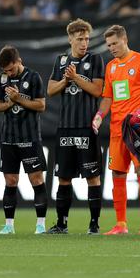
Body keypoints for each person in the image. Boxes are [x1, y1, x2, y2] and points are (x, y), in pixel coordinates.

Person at [92, 25, 140, 235]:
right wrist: (99, 116)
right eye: (109, 45)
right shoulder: (111, 67)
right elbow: (108, 98)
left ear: (125, 39)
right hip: (117, 130)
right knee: (117, 174)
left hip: (139, 128)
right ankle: (121, 224)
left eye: (115, 43)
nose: (112, 48)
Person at [46, 19, 104, 234]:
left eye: (87, 39)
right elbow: (51, 90)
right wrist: (65, 80)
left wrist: (76, 77)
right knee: (63, 177)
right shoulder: (60, 61)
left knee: (92, 177)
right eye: (80, 39)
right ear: (70, 39)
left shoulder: (96, 59)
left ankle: (94, 224)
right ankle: (62, 224)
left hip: (86, 128)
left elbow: (98, 90)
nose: (84, 43)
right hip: (65, 128)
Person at [0, 46, 48, 235]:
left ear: (19, 61)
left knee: (36, 179)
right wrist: (8, 103)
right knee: (10, 180)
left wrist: (17, 99)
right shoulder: (1, 80)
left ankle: (40, 225)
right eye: (5, 71)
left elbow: (41, 105)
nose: (9, 73)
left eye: (11, 69)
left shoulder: (33, 77)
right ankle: (9, 226)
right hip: (8, 138)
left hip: (30, 137)